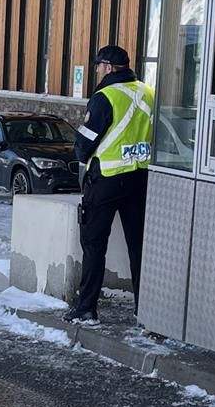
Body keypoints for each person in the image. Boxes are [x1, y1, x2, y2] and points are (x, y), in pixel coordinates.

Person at [66, 44, 154, 325]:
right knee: (139, 246)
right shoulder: (148, 93)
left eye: (97, 66)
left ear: (106, 67)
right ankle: (146, 310)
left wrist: (81, 155)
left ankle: (86, 309)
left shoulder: (105, 96)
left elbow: (84, 144)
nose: (96, 71)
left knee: (93, 244)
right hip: (140, 177)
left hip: (105, 179)